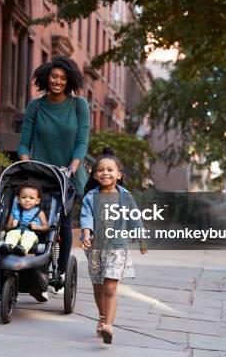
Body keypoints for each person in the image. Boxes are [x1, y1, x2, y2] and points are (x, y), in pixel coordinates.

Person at [18, 55, 90, 288]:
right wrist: (25, 162)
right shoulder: (36, 105)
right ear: (46, 78)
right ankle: (34, 265)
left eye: (62, 78)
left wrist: (72, 167)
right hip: (40, 174)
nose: (57, 81)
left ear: (69, 81)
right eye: (54, 76)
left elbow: (81, 142)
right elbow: (24, 142)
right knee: (35, 219)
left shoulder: (79, 105)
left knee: (63, 223)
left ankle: (59, 271)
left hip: (68, 174)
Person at [80, 148, 148, 344]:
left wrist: (141, 238)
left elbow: (135, 217)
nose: (105, 173)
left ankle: (108, 325)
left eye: (110, 169)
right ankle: (102, 316)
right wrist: (86, 233)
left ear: (118, 175)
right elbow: (86, 218)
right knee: (98, 287)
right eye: (100, 170)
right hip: (95, 249)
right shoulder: (90, 198)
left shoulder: (125, 197)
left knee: (110, 287)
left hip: (117, 247)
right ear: (94, 175)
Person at [0, 181, 49, 256]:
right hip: (17, 231)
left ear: (37, 201)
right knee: (11, 234)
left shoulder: (39, 212)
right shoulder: (15, 211)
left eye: (31, 198)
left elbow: (46, 227)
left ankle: (22, 249)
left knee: (29, 237)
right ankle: (8, 247)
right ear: (18, 199)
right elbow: (7, 227)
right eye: (24, 197)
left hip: (32, 234)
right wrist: (12, 225)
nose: (27, 200)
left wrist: (38, 227)